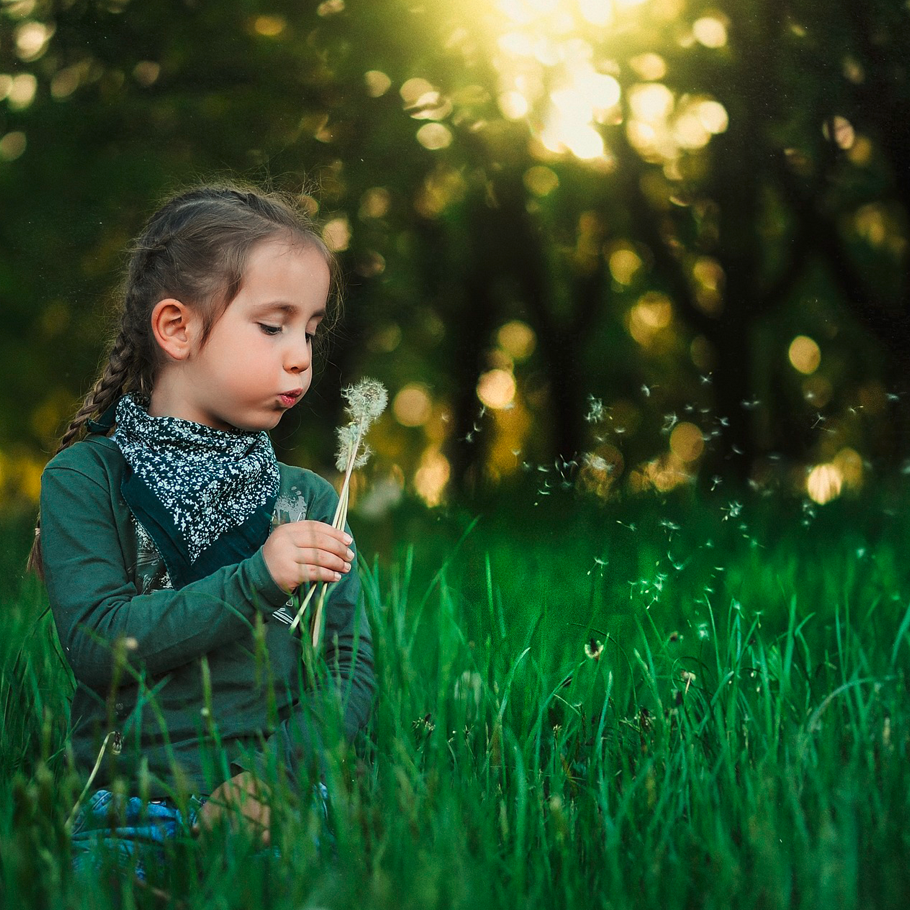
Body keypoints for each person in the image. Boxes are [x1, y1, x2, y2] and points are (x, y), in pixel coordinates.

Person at [29, 184, 375, 878]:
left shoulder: (307, 498)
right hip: (132, 804)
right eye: (273, 326)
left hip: (280, 799)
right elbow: (101, 646)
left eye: (310, 331)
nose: (302, 356)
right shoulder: (85, 480)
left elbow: (348, 668)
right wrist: (259, 577)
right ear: (178, 329)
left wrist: (274, 781)